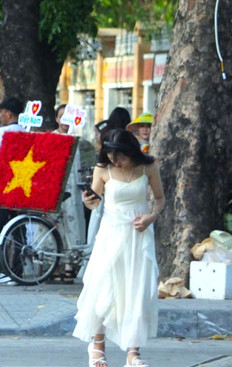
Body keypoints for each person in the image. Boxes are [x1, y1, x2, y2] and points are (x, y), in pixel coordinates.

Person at [75, 129, 163, 367]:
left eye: (120, 157)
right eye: (111, 156)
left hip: (139, 235)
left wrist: (151, 217)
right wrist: (87, 200)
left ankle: (133, 353)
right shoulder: (103, 169)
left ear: (131, 152)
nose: (115, 161)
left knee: (137, 290)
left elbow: (160, 199)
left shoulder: (148, 167)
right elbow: (94, 202)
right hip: (110, 234)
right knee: (103, 287)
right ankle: (97, 346)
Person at [0, 97, 23, 284]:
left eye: (1, 111)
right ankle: (17, 270)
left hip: (3, 186)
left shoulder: (3, 131)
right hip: (21, 185)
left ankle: (3, 269)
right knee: (18, 229)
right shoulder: (25, 131)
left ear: (9, 113)